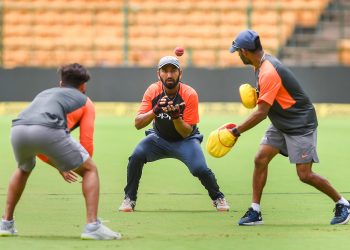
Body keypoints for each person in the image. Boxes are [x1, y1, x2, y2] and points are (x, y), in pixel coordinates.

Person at [228, 30, 350, 226]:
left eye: (238, 52)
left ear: (245, 51)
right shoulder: (260, 65)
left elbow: (261, 112)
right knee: (261, 158)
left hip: (300, 124)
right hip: (281, 122)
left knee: (305, 175)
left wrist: (236, 131)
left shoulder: (268, 71)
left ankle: (343, 203)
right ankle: (255, 211)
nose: (238, 55)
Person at [0, 63, 121, 239]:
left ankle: (6, 223)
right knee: (90, 170)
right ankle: (93, 227)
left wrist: (60, 164)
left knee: (24, 168)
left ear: (61, 83)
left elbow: (38, 140)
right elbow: (86, 143)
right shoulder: (85, 101)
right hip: (47, 130)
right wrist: (77, 166)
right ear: (83, 86)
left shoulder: (45, 93)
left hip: (18, 129)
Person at [118, 56, 229, 212]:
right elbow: (138, 123)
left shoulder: (189, 94)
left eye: (173, 71)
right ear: (159, 74)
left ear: (180, 73)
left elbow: (186, 132)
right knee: (136, 157)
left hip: (186, 141)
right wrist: (155, 110)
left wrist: (176, 116)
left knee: (200, 169)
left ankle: (218, 197)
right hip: (158, 138)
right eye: (165, 71)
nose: (169, 75)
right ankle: (129, 198)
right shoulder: (153, 90)